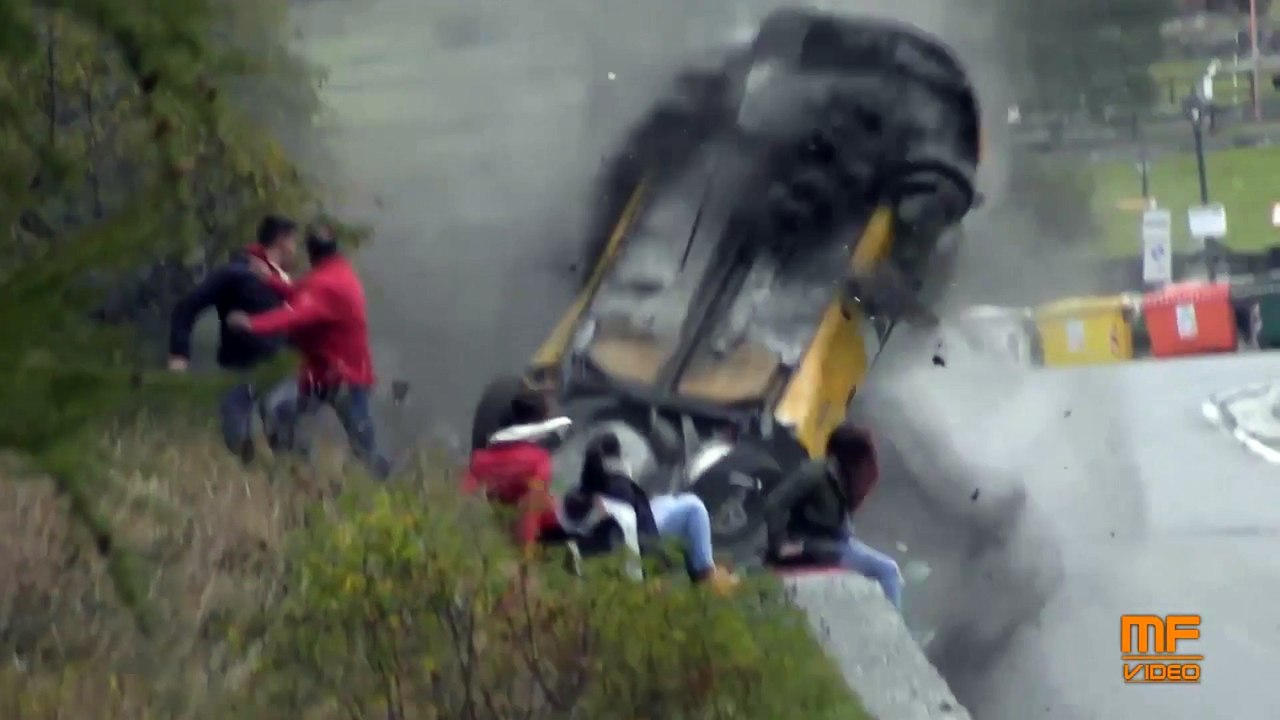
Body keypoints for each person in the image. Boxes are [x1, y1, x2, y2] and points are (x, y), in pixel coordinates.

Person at [226, 222, 391, 478]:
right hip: (333, 375)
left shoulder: (325, 284)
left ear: (311, 252)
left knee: (361, 446)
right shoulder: (340, 274)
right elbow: (305, 294)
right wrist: (270, 280)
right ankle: (300, 471)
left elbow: (294, 313)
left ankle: (300, 469)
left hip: (340, 379)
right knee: (281, 411)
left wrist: (251, 324)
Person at [167, 214, 301, 462]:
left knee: (283, 429)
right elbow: (186, 308)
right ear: (282, 240)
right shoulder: (236, 274)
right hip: (237, 370)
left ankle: (293, 480)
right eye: (293, 241)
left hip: (278, 371)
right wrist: (179, 354)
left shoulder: (286, 283)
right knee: (237, 440)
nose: (296, 249)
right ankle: (252, 482)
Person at [560, 432, 740, 594]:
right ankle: (705, 574)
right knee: (694, 508)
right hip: (641, 537)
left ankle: (703, 563)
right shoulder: (619, 493)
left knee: (672, 501)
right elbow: (641, 538)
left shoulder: (585, 492)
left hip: (637, 522)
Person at [763, 422, 903, 609]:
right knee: (886, 571)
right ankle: (891, 628)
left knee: (889, 570)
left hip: (836, 541)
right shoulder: (815, 473)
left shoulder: (846, 479)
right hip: (812, 542)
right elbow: (774, 504)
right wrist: (779, 544)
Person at [462, 386, 572, 550]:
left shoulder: (480, 459)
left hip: (494, 522)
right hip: (526, 530)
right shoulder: (538, 460)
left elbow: (464, 495)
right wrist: (526, 550)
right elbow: (532, 507)